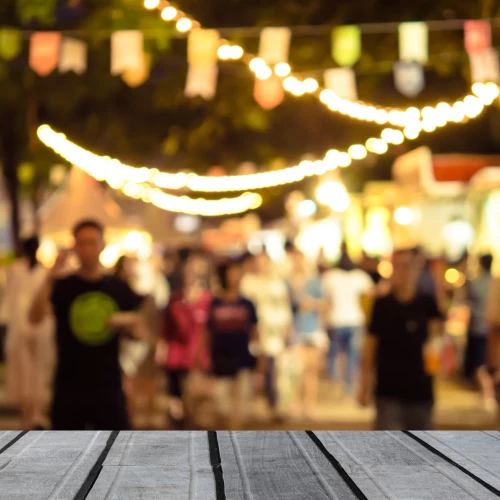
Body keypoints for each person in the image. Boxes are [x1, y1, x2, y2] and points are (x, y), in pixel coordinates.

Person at [29, 219, 145, 430]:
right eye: (81, 243)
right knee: (66, 453)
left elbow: (138, 335)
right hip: (68, 385)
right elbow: (34, 317)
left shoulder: (118, 288)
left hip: (108, 384)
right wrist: (50, 276)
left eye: (92, 242)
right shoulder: (63, 285)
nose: (87, 249)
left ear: (103, 245)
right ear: (74, 247)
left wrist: (129, 324)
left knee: (116, 451)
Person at [358, 248, 444, 430]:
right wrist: (364, 384)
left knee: (423, 449)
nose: (400, 271)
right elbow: (370, 345)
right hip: (388, 390)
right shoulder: (381, 304)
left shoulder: (427, 303)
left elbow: (437, 339)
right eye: (395, 266)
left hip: (420, 390)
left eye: (405, 265)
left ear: (416, 269)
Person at [2, 237, 55, 429]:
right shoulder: (16, 269)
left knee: (40, 368)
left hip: (41, 325)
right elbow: (10, 295)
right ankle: (26, 413)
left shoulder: (45, 271)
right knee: (23, 369)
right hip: (19, 323)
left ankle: (37, 412)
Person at [206, 260, 259, 427]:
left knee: (242, 406)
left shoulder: (247, 304)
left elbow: (255, 332)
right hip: (221, 359)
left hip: (243, 358)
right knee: (222, 405)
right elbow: (207, 331)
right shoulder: (215, 303)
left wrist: (259, 356)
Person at [240, 252, 293, 418]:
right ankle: (252, 403)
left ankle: (273, 403)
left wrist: (287, 326)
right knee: (256, 368)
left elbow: (285, 305)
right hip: (255, 332)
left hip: (274, 333)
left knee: (272, 368)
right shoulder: (248, 282)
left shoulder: (278, 283)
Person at [160, 260, 211, 427]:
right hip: (177, 356)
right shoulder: (174, 300)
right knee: (176, 394)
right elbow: (166, 328)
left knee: (196, 398)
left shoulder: (207, 300)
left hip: (198, 356)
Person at [114, 255, 161, 429]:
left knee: (143, 380)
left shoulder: (142, 295)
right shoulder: (118, 291)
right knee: (128, 383)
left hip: (138, 343)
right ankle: (130, 420)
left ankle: (143, 418)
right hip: (124, 344)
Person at [322, 244, 373, 399]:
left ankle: (334, 383)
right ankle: (348, 388)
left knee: (334, 354)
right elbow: (371, 292)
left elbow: (326, 299)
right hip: (354, 320)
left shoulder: (330, 276)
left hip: (336, 320)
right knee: (352, 356)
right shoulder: (359, 276)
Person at [289, 251, 328, 420]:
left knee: (311, 372)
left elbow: (325, 304)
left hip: (312, 330)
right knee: (296, 371)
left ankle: (309, 405)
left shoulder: (314, 283)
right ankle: (295, 404)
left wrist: (310, 303)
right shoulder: (288, 283)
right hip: (296, 331)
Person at [463, 254, 496, 411]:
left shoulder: (476, 283)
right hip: (492, 330)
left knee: (481, 364)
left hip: (478, 327)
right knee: (489, 364)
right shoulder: (494, 283)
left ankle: (487, 396)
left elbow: (467, 302)